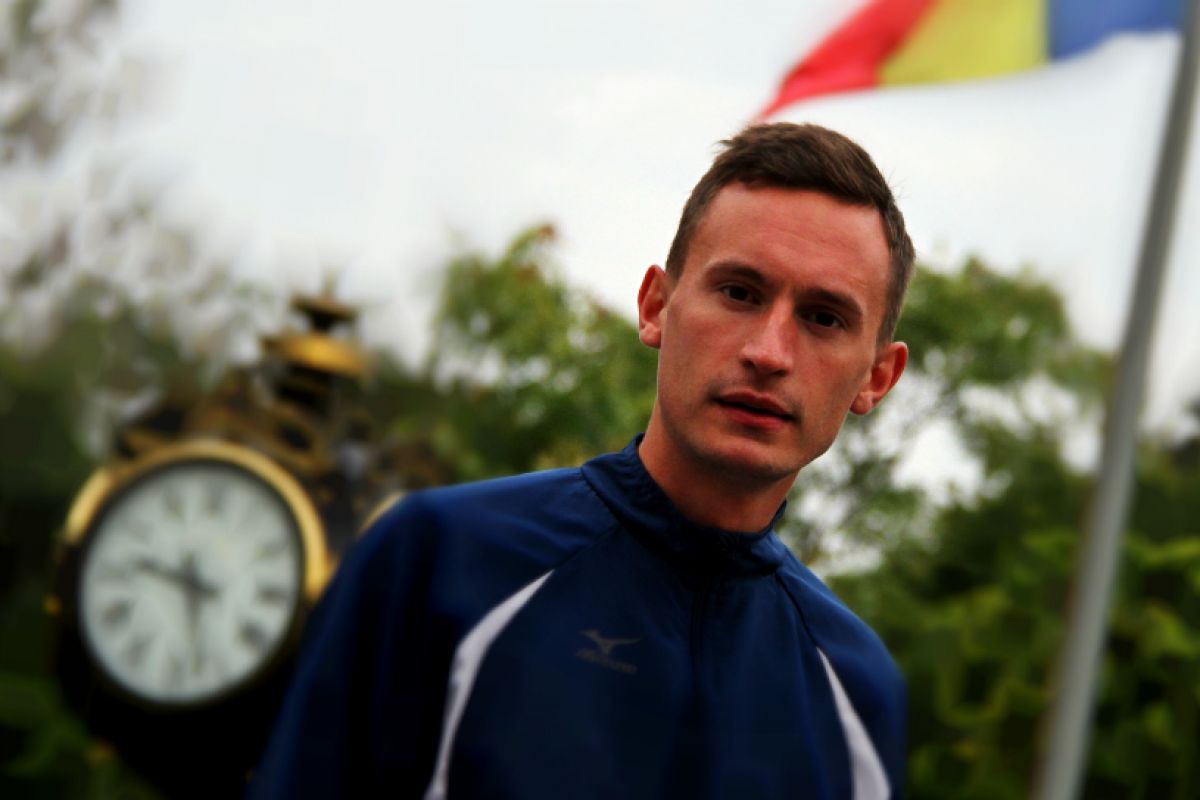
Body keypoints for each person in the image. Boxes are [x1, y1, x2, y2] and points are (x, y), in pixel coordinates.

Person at [250, 122, 914, 799]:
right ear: (656, 307)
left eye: (824, 318)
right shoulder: (440, 561)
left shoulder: (858, 693)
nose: (769, 352)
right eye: (740, 292)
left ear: (876, 378)